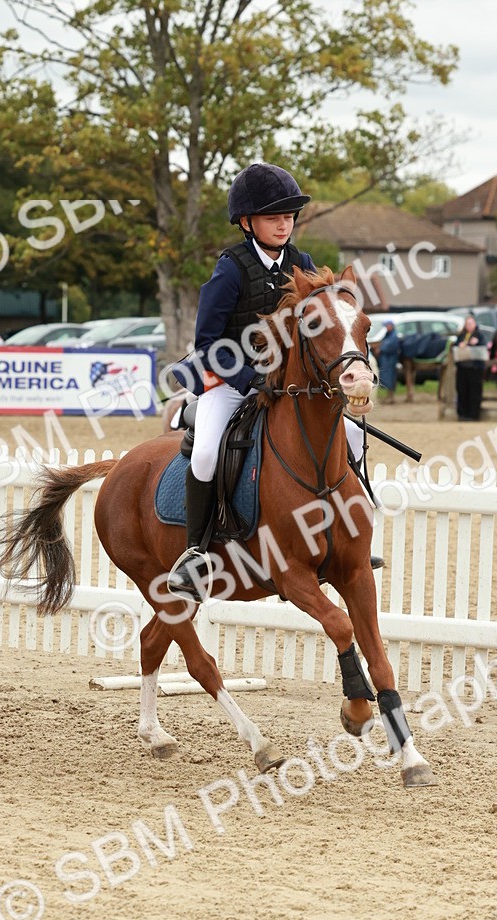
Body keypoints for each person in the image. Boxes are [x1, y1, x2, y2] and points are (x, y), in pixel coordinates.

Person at [167, 162, 370, 599]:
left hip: (286, 384)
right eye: (273, 217)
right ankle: (195, 553)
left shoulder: (302, 263)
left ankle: (346, 534)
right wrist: (250, 377)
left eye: (289, 216)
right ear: (246, 222)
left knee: (352, 435)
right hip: (229, 382)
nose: (284, 224)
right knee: (206, 452)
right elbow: (207, 343)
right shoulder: (231, 269)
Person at [454, 314, 487, 421]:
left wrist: (476, 343)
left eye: (471, 323)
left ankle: (474, 414)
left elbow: (483, 349)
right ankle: (462, 414)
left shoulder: (479, 336)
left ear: (475, 324)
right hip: (462, 368)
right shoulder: (461, 336)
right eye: (467, 324)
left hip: (475, 368)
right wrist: (460, 345)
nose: (469, 326)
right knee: (462, 391)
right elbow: (455, 347)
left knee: (475, 392)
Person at [377, 320, 399, 399]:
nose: (386, 327)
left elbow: (390, 346)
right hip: (386, 360)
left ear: (391, 326)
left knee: (390, 377)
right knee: (387, 376)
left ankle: (391, 396)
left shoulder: (393, 336)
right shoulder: (388, 334)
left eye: (387, 326)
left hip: (390, 360)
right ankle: (389, 396)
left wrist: (381, 349)